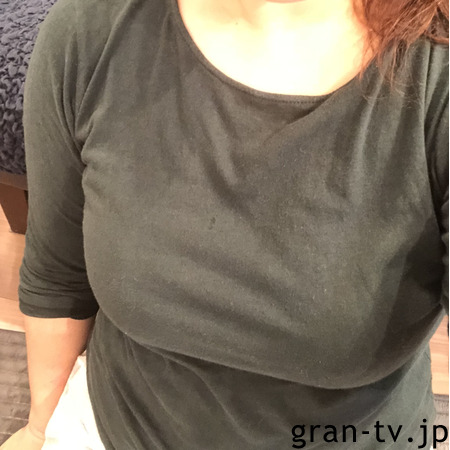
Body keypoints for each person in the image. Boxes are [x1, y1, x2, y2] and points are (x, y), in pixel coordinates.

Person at [1, 0, 448, 448]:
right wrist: (40, 428)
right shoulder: (88, 33)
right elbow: (58, 279)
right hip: (115, 427)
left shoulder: (436, 74)